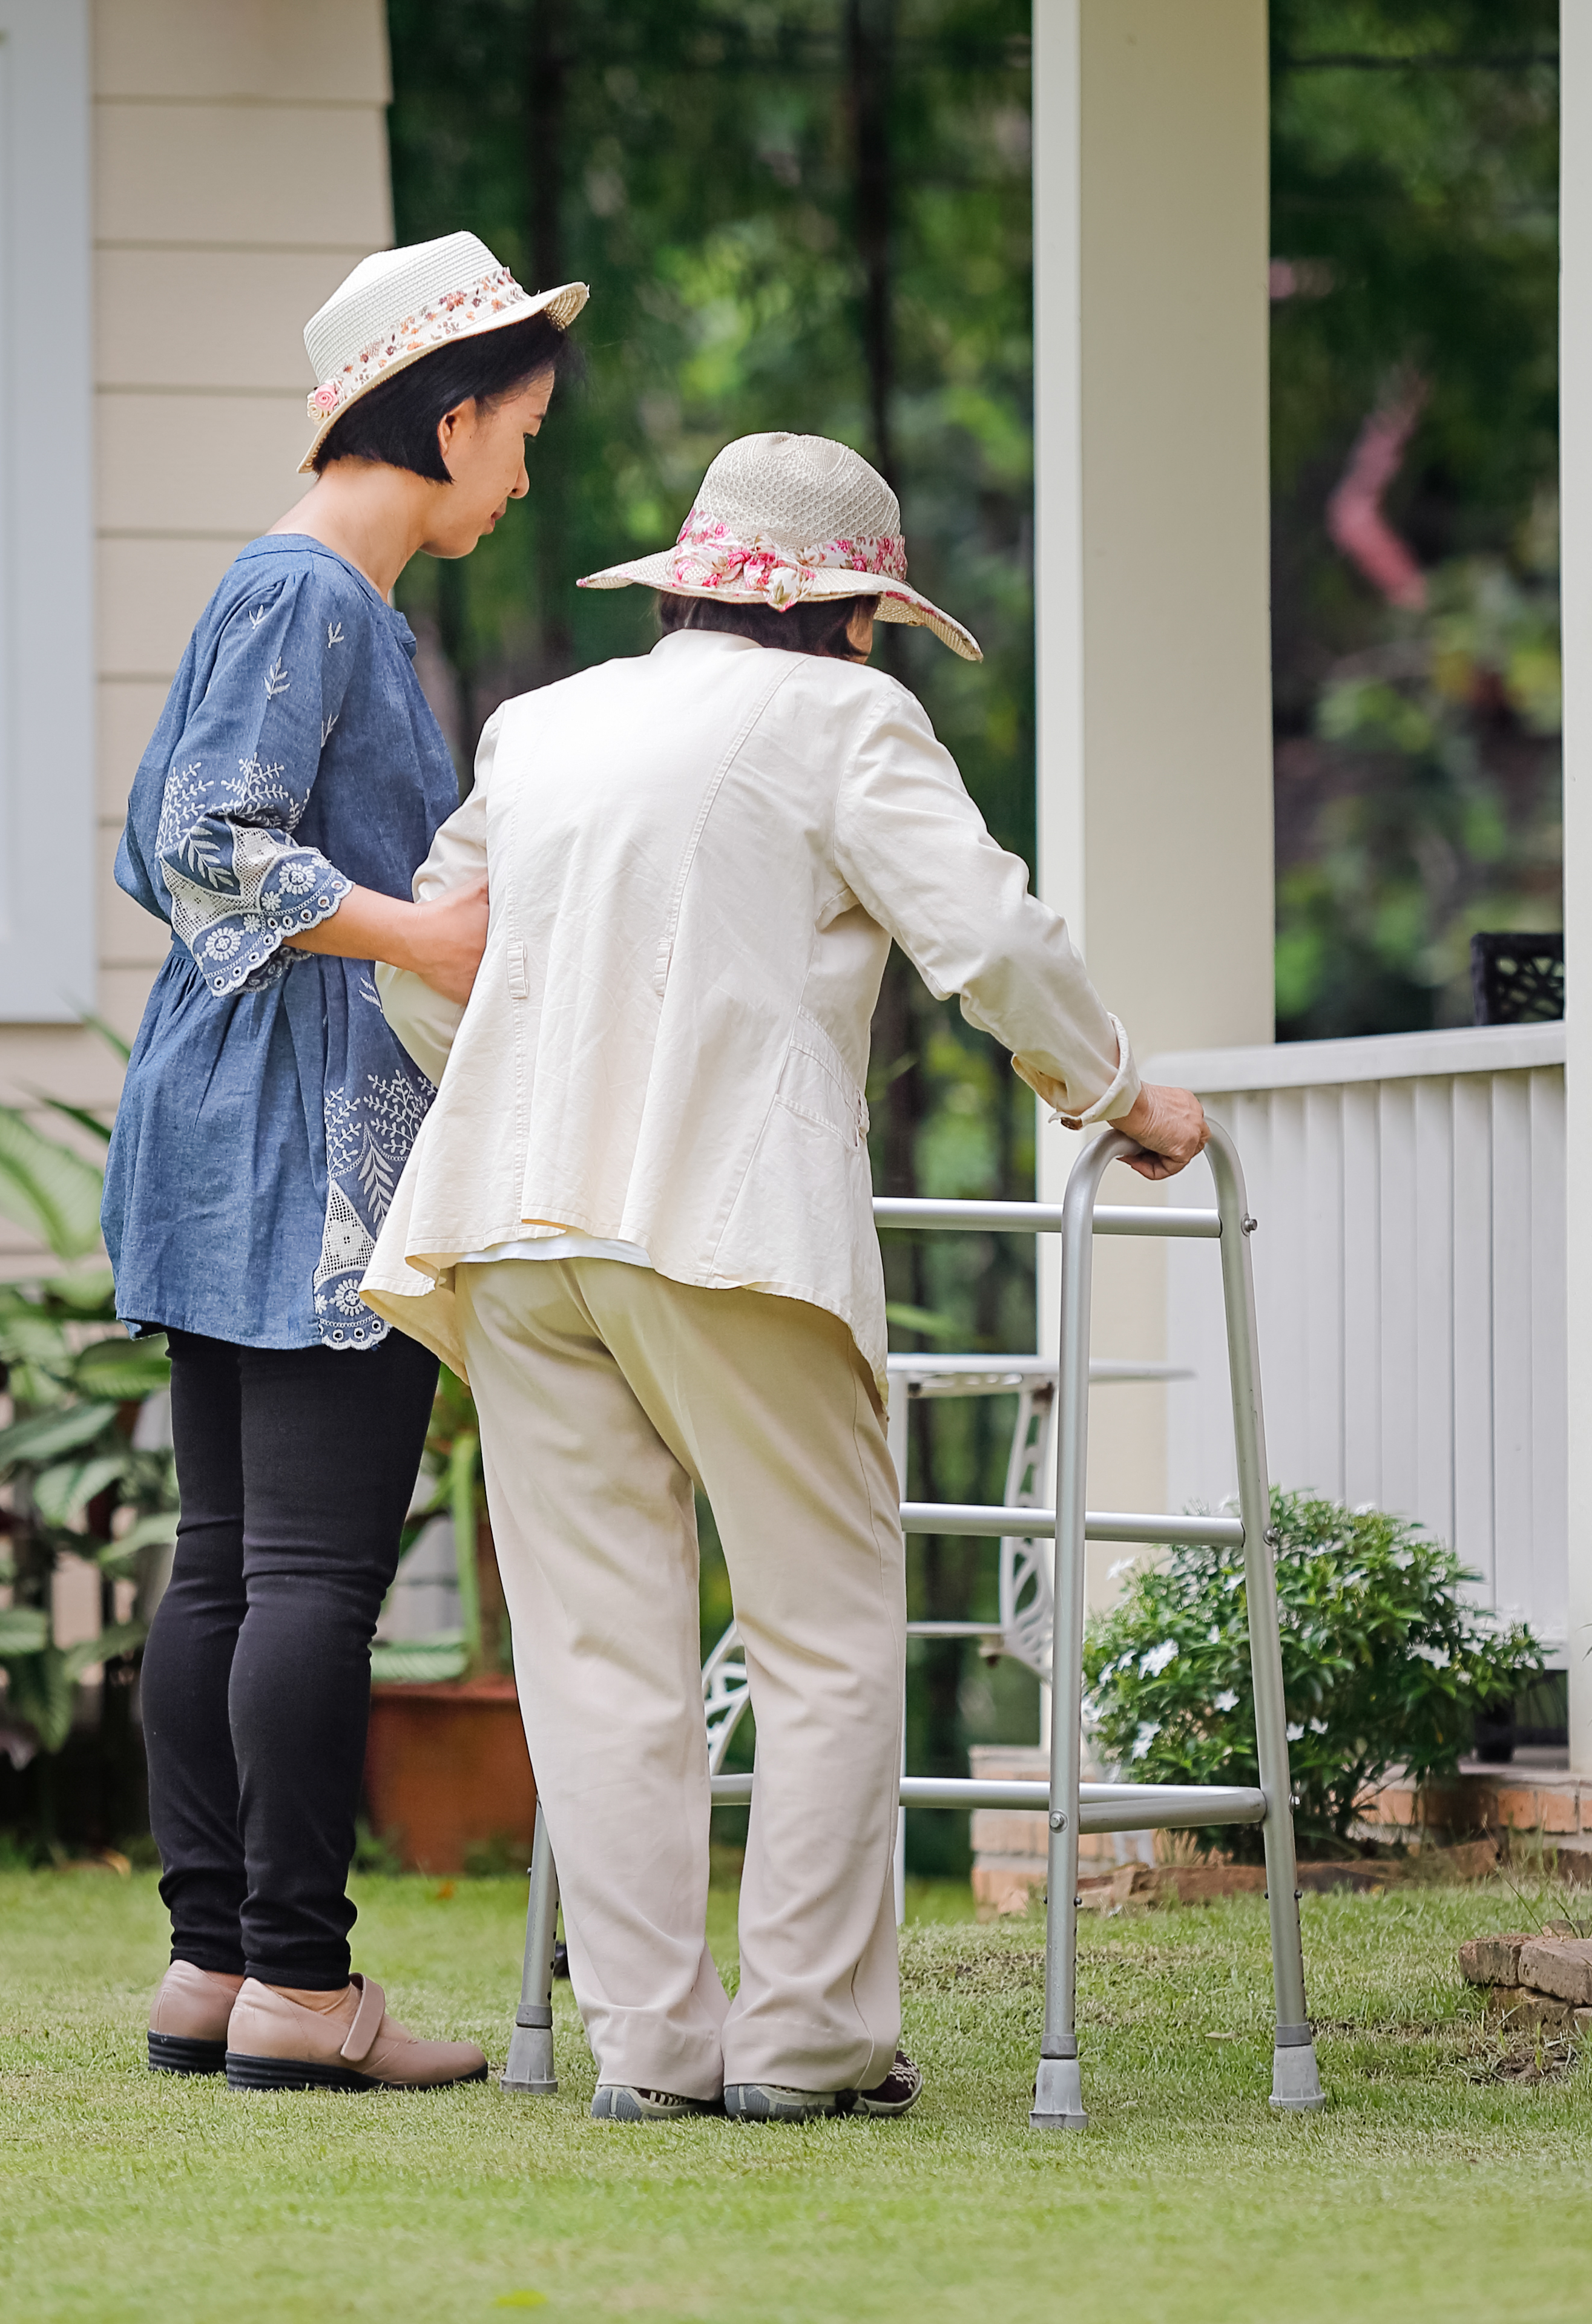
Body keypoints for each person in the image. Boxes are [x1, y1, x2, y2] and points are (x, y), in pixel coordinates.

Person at [360, 433, 1209, 2122]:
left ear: (686, 583)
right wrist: (1121, 1093)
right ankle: (813, 2044)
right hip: (726, 1222)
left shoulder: (544, 726)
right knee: (823, 1630)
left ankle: (658, 2053)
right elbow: (988, 935)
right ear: (851, 615)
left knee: (601, 1652)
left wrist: (535, 1077)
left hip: (516, 1226)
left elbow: (430, 966)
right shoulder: (844, 721)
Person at [103, 231, 583, 2094]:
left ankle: (214, 1970)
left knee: (225, 1566)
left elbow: (154, 857)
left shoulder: (293, 595)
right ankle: (300, 1984)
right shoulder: (311, 598)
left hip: (219, 1098)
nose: (526, 476)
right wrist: (423, 936)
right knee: (306, 1573)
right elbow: (204, 841)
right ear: (449, 419)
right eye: (519, 435)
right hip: (311, 1123)